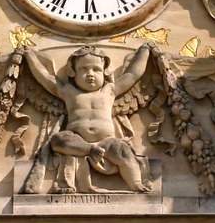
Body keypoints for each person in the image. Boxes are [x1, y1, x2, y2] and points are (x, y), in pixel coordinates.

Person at [24, 44, 153, 193]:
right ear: (73, 72)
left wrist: (144, 52)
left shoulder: (109, 90)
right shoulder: (68, 91)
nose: (90, 74)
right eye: (83, 69)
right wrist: (30, 56)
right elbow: (44, 77)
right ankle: (89, 149)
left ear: (104, 72)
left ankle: (136, 183)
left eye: (96, 69)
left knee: (123, 151)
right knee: (59, 140)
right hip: (77, 138)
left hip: (106, 141)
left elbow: (133, 75)